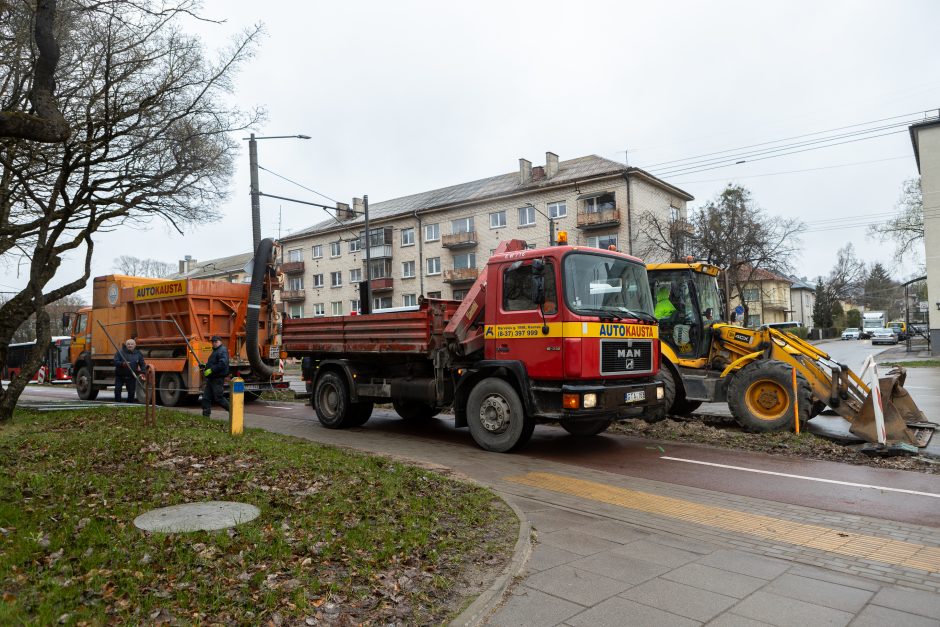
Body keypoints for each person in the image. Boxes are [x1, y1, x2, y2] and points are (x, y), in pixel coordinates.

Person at [201, 335, 230, 417]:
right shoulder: (216, 350)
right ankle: (205, 417)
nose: (214, 343)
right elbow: (214, 363)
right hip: (211, 378)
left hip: (217, 379)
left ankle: (234, 411)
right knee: (206, 398)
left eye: (216, 342)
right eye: (212, 342)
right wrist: (205, 366)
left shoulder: (222, 350)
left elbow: (223, 363)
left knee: (219, 398)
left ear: (220, 342)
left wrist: (211, 370)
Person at [113, 338, 145, 403]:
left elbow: (142, 364)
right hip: (120, 375)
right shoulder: (120, 352)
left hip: (131, 376)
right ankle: (117, 403)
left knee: (131, 391)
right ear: (126, 345)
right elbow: (115, 362)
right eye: (128, 344)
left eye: (132, 344)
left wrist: (143, 372)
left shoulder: (138, 353)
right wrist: (122, 364)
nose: (130, 345)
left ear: (135, 345)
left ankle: (129, 404)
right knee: (117, 390)